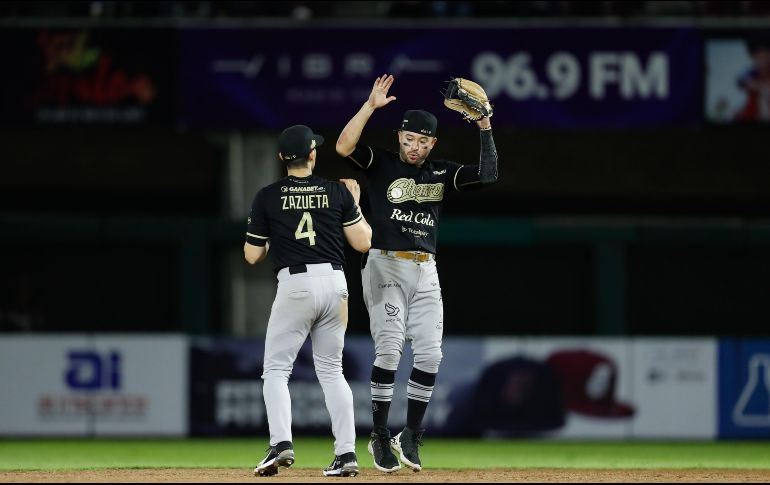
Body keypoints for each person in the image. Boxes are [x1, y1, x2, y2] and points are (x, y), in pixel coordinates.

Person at [335, 74, 499, 472]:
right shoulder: (383, 163)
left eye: (422, 142)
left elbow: (488, 174)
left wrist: (485, 126)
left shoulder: (441, 173)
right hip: (385, 263)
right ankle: (378, 435)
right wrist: (369, 107)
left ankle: (410, 434)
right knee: (390, 349)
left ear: (432, 144)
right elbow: (343, 147)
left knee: (430, 353)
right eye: (408, 139)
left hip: (426, 270)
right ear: (400, 137)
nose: (414, 147)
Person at [245, 124, 372, 478]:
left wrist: (274, 238)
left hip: (296, 286)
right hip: (335, 284)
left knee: (276, 370)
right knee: (333, 372)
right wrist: (355, 204)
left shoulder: (268, 196)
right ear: (313, 154)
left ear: (281, 159)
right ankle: (346, 453)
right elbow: (363, 243)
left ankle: (281, 443)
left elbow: (252, 255)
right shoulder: (337, 191)